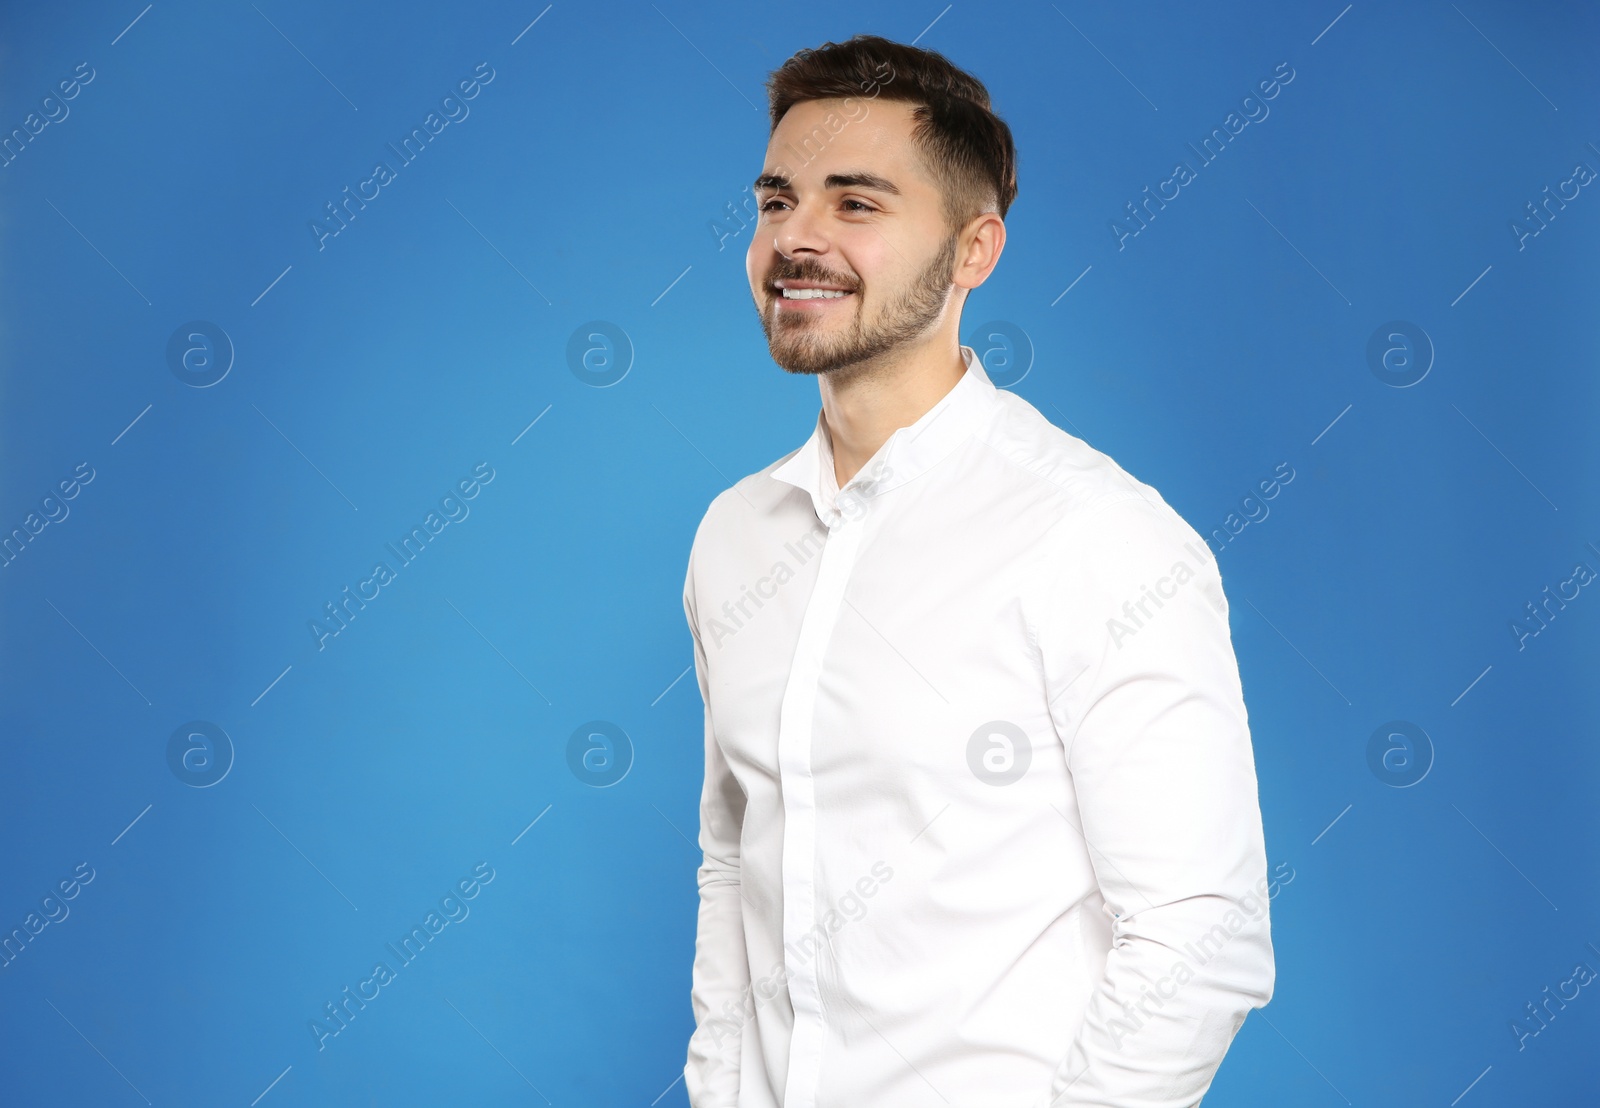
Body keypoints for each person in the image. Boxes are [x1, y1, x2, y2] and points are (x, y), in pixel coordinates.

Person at [681, 33, 1274, 1108]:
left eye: (855, 204)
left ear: (972, 250)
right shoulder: (736, 537)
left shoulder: (1100, 538)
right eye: (776, 201)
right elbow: (736, 866)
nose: (796, 239)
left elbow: (1201, 937)